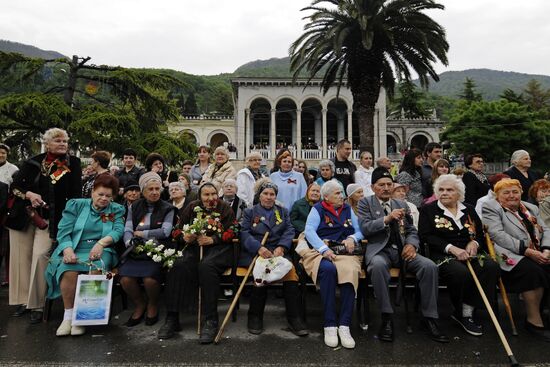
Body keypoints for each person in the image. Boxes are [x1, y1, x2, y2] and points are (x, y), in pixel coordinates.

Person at [358, 167, 448, 343]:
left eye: (389, 184)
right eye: (381, 185)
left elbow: (411, 230)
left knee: (429, 266)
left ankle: (429, 317)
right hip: (380, 250)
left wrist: (411, 244)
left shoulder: (401, 204)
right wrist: (387, 219)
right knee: (377, 266)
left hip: (402, 250)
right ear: (373, 187)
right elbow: (365, 228)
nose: (385, 188)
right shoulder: (365, 203)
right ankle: (386, 317)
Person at [7, 128, 82, 323]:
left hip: (52, 218)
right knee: (21, 259)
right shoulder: (33, 162)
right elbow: (15, 187)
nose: (63, 144)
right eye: (58, 140)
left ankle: (37, 304)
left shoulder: (72, 163)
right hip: (24, 216)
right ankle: (23, 301)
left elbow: (75, 195)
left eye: (65, 141)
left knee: (40, 256)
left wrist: (70, 221)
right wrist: (29, 195)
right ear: (47, 143)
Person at [418, 174, 499, 336]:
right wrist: (451, 248)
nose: (444, 193)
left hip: (470, 253)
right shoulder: (428, 210)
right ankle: (460, 311)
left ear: (459, 193)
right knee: (460, 272)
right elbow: (426, 236)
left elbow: (480, 235)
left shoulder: (468, 209)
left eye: (449, 190)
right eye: (441, 189)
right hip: (442, 254)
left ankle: (467, 309)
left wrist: (474, 243)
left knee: (491, 266)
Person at [45, 174, 124, 336]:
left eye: (108, 196)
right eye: (100, 194)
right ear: (92, 192)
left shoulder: (116, 209)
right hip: (76, 247)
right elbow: (63, 230)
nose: (104, 199)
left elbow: (118, 230)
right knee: (68, 269)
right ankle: (68, 316)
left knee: (96, 268)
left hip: (103, 249)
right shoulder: (76, 205)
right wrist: (67, 249)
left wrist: (101, 243)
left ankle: (84, 317)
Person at [159, 182, 236, 343]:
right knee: (177, 265)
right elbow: (176, 230)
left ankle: (211, 320)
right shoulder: (192, 207)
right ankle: (172, 318)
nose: (210, 198)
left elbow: (234, 230)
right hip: (194, 248)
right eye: (206, 195)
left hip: (218, 249)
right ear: (200, 196)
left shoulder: (224, 208)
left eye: (213, 194)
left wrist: (214, 239)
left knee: (206, 267)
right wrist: (183, 236)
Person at [482, 178, 550, 341]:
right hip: (509, 254)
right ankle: (534, 321)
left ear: (521, 193)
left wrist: (547, 249)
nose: (511, 195)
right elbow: (497, 235)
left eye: (515, 191)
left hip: (537, 251)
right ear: (497, 195)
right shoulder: (492, 207)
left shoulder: (531, 208)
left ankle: (541, 311)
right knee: (532, 272)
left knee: (546, 267)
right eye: (506, 192)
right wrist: (526, 251)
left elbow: (546, 229)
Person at [240, 181, 308, 336]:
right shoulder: (251, 211)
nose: (269, 197)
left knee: (291, 274)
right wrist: (258, 247)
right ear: (259, 195)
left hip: (278, 252)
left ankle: (294, 318)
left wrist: (282, 247)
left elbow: (290, 229)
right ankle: (255, 316)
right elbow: (244, 232)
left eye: (272, 194)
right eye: (266, 194)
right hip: (258, 252)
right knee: (261, 272)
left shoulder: (282, 211)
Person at [300, 180, 364, 348]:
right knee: (327, 270)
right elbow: (309, 231)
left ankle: (344, 325)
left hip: (344, 251)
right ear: (326, 196)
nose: (341, 196)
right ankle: (329, 324)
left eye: (341, 192)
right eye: (337, 193)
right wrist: (323, 249)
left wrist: (352, 238)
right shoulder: (318, 209)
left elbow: (360, 230)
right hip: (322, 249)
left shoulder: (348, 209)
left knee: (350, 272)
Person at [118, 172, 176, 327]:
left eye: (157, 188)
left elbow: (165, 232)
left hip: (157, 249)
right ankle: (139, 304)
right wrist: (129, 241)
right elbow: (128, 228)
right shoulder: (134, 206)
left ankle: (152, 304)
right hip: (136, 248)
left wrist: (142, 233)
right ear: (143, 191)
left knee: (149, 280)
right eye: (150, 189)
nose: (155, 192)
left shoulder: (168, 208)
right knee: (125, 279)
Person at [0, 143, 18, 287]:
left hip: (6, 212)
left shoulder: (13, 169)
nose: (1, 155)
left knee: (7, 248)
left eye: (3, 153)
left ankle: (8, 278)